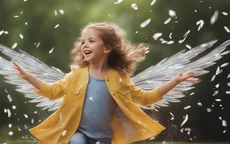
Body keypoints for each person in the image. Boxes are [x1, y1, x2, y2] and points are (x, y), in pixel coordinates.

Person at [12, 22, 198, 144]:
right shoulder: (76, 75)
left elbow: (145, 98)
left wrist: (175, 81)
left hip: (107, 138)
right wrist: (28, 76)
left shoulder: (119, 78)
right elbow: (52, 92)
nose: (84, 45)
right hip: (79, 135)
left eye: (91, 41)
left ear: (107, 48)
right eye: (83, 41)